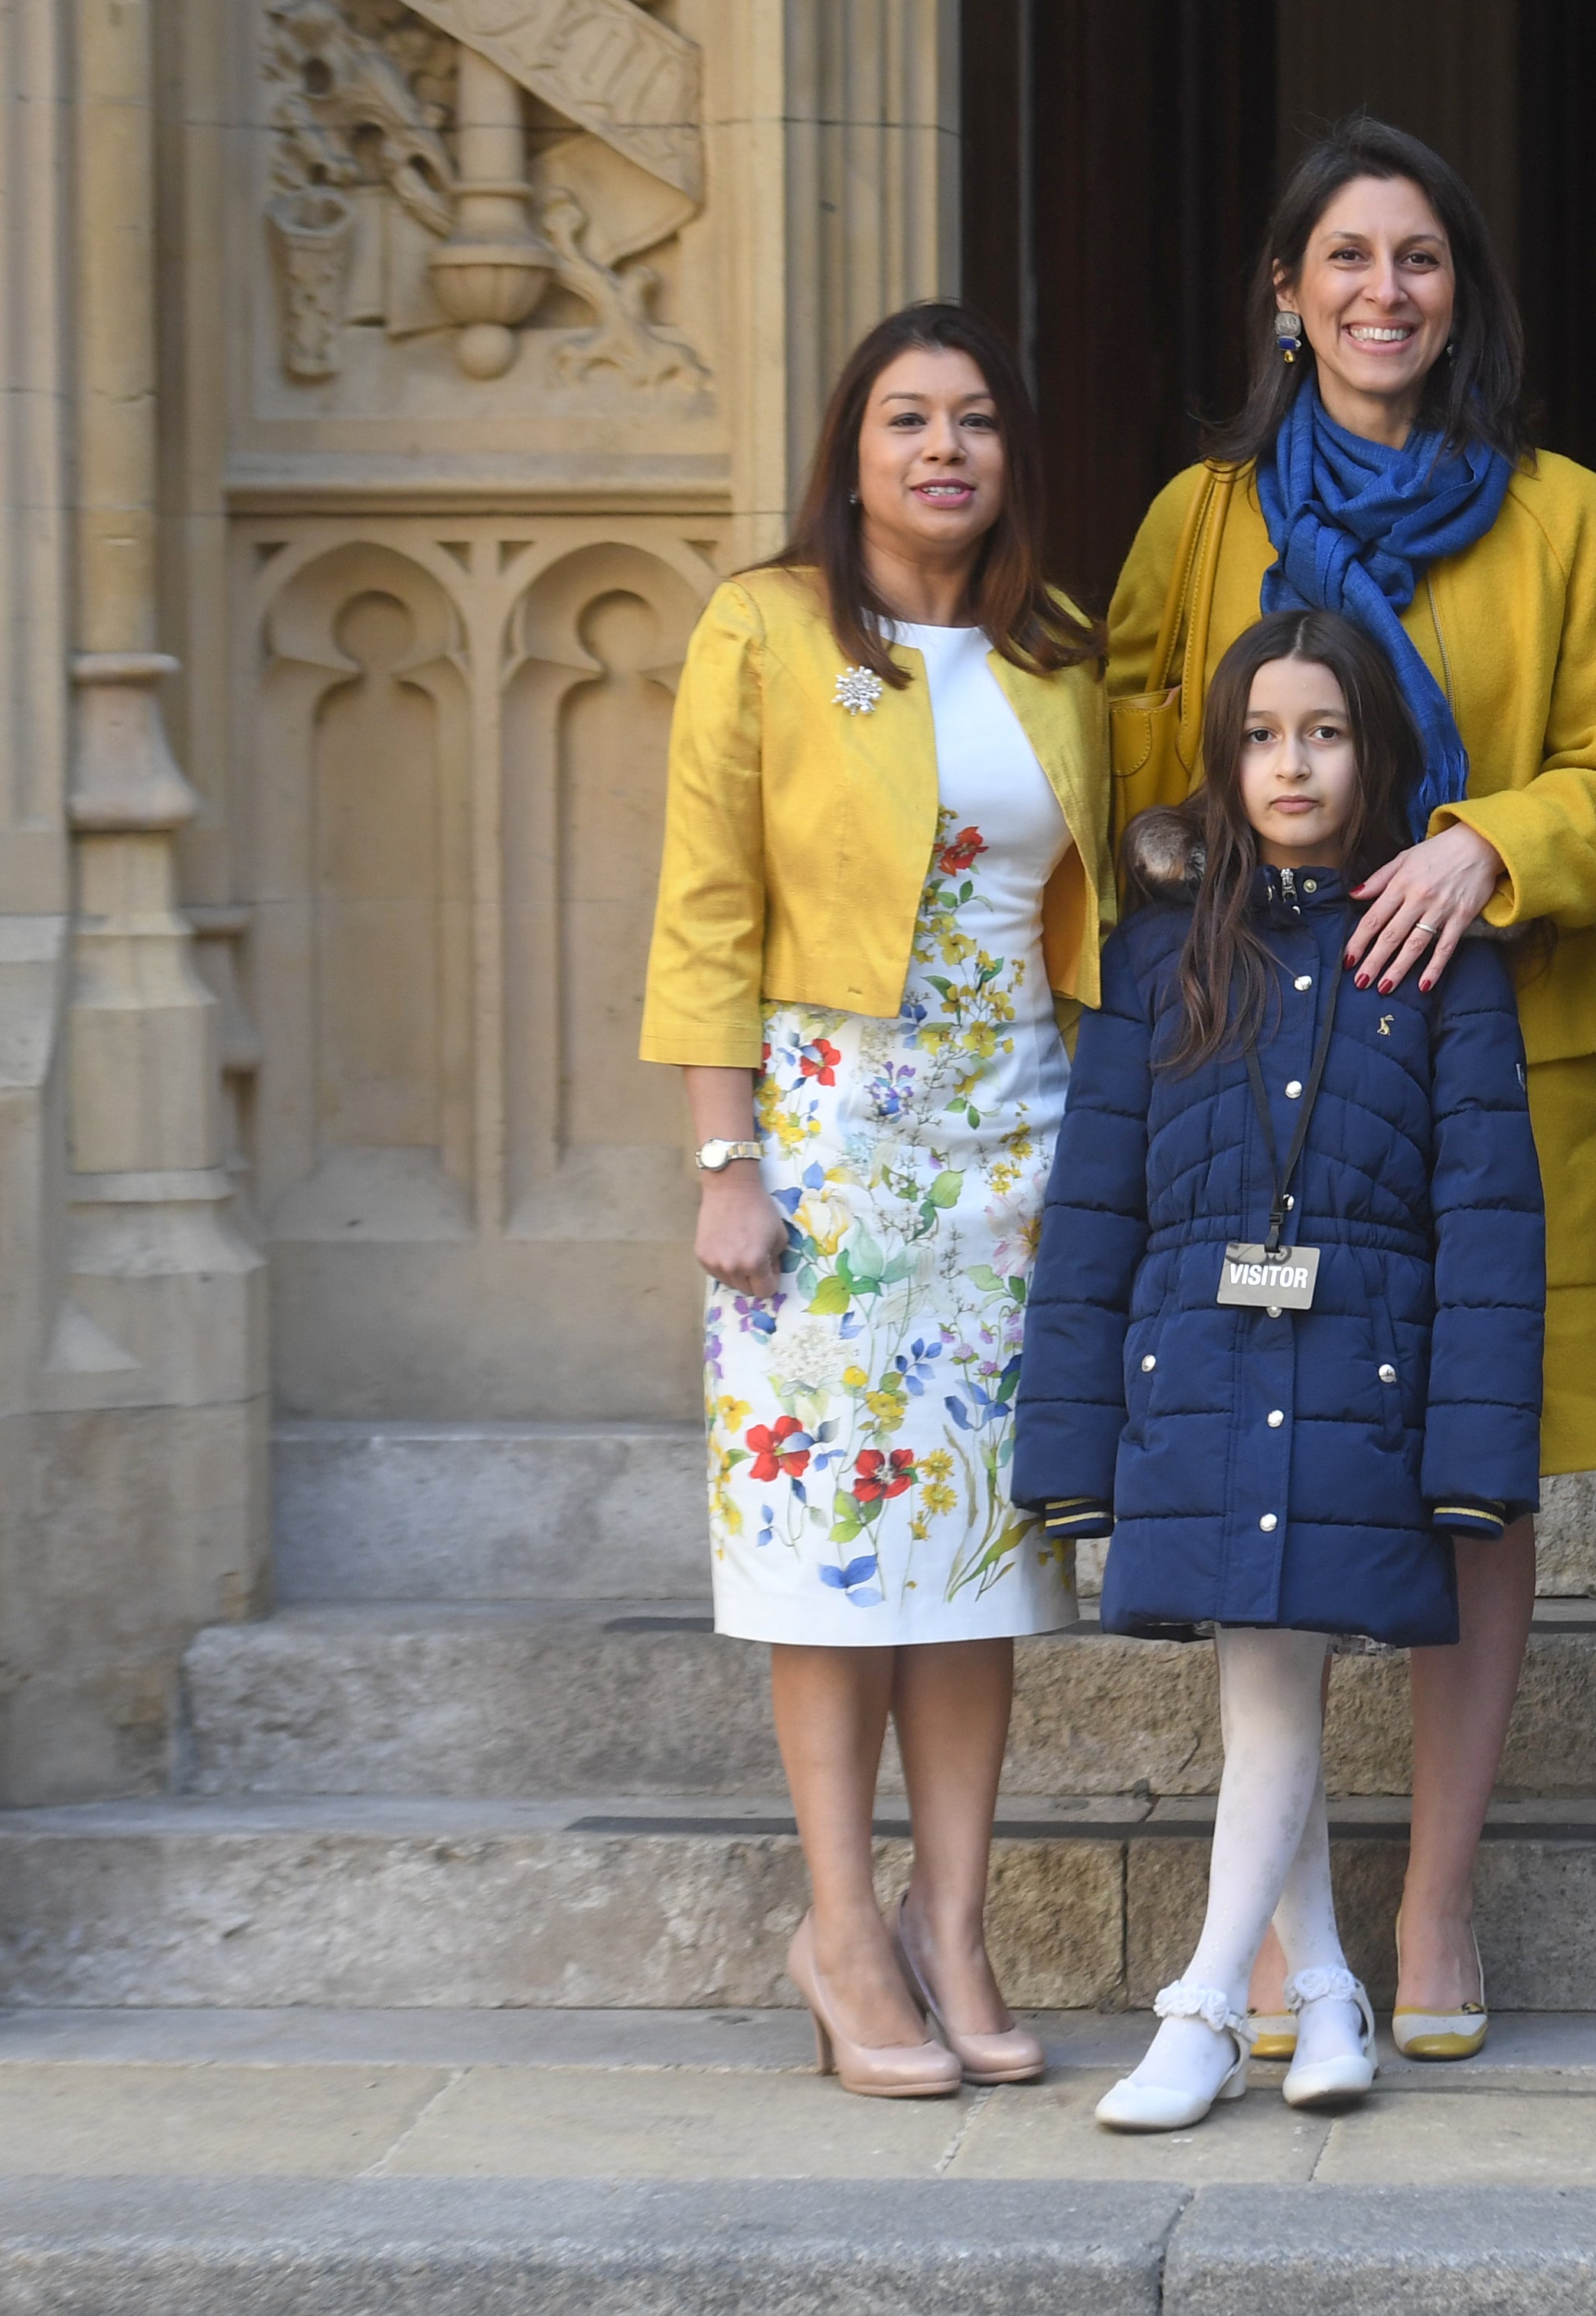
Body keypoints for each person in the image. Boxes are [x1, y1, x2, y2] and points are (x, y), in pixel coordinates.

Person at [1100, 117, 1596, 2063]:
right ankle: (1275, 1920)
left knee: (1471, 1471)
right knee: (1265, 1456)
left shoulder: (1568, 514)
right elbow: (1130, 741)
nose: (1382, 293)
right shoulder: (1199, 520)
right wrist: (1214, 863)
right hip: (1263, 1075)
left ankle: (1433, 1895)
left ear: (1463, 293)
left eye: (1418, 258)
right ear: (1285, 292)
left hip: (1498, 1056)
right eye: (1344, 258)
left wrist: (1481, 843)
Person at [641, 299, 1111, 2098]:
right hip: (825, 1151)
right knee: (831, 1564)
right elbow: (707, 901)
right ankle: (842, 1934)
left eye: (976, 419)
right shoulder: (761, 627)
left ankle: (955, 1922)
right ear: (850, 451)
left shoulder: (1059, 657)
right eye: (908, 418)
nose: (945, 448)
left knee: (986, 1562)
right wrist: (722, 1155)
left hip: (1022, 1149)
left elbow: (1105, 919)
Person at [1018, 607, 1549, 2131]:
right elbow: (1097, 1202)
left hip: (1359, 1377)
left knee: (1273, 1686)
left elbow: (1488, 1222)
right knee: (1273, 1678)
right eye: (1259, 734)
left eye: (1321, 731)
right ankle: (1316, 1989)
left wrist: (1472, 1455)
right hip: (1198, 1368)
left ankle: (1197, 2003)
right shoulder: (1159, 956)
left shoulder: (1441, 963)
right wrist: (1067, 1445)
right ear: (1222, 756)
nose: (1290, 761)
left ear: (1373, 751)